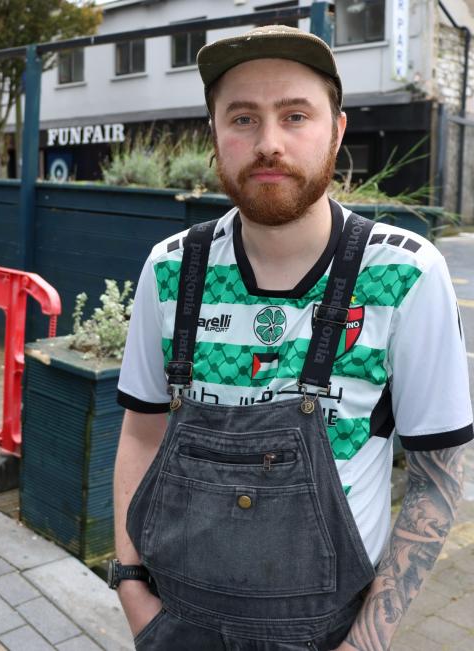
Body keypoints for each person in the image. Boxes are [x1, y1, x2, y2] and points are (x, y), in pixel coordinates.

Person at [110, 24, 473, 651]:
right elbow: (141, 434)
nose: (269, 143)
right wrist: (132, 590)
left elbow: (438, 474)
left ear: (335, 129)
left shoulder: (403, 272)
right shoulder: (171, 269)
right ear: (216, 137)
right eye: (243, 118)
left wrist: (367, 641)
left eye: (295, 115)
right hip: (173, 624)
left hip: (327, 633)